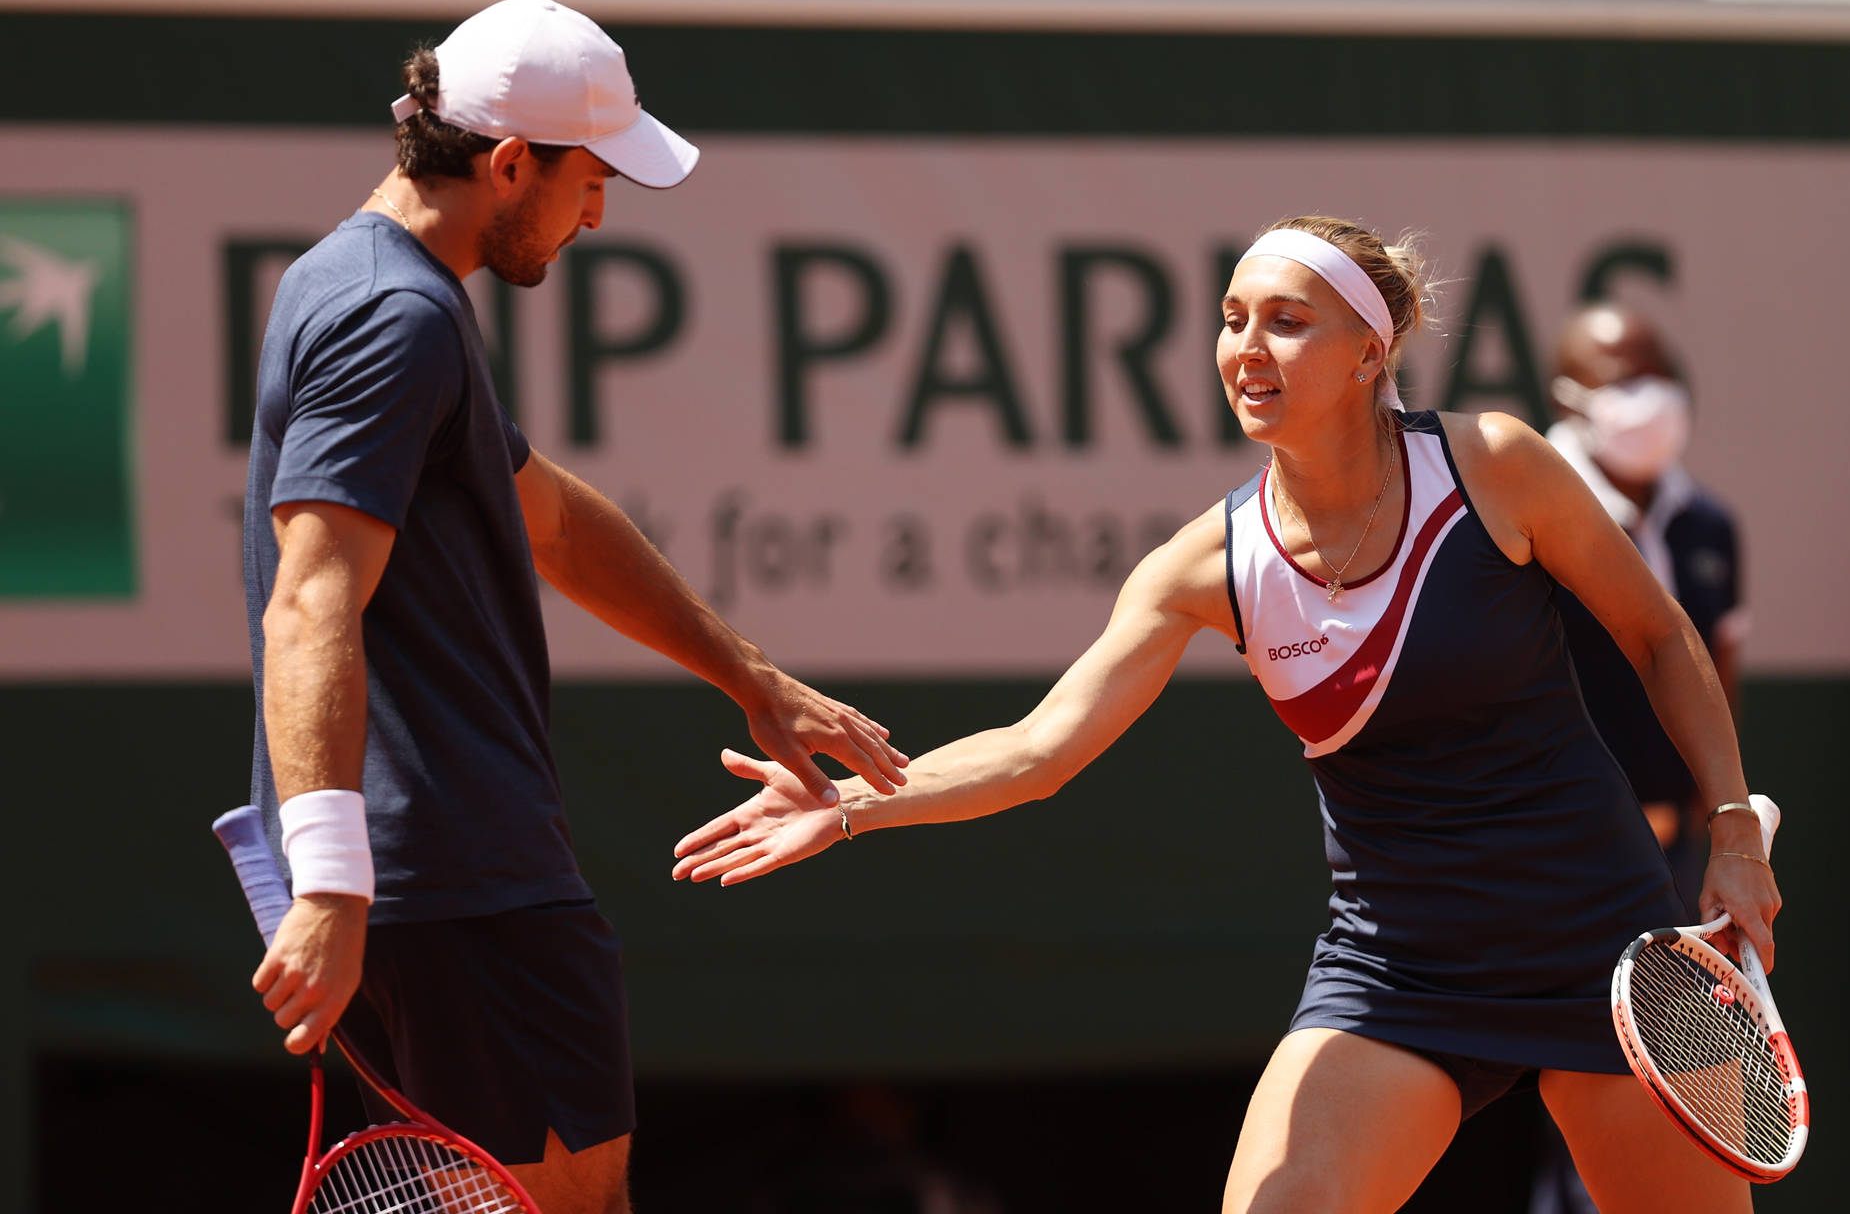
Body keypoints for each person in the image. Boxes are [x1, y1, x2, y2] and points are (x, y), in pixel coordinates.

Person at [671, 216, 1781, 1213]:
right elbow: (1039, 749)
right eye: (1232, 318)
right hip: (1404, 969)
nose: (1246, 348)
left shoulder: (1497, 467)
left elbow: (1661, 635)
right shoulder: (1207, 562)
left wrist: (1732, 828)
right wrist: (858, 803)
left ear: (1367, 354)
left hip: (1604, 941)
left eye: (1287, 321)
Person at [241, 0, 908, 1214]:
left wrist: (748, 673)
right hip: (451, 875)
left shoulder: (375, 284)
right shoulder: (394, 314)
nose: (599, 211)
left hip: (440, 870)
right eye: (589, 179)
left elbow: (545, 515)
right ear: (507, 163)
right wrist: (334, 884)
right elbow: (310, 599)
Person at [1522, 305, 1749, 1214]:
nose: (1644, 399)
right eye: (1619, 380)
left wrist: (1718, 817)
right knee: (1587, 1100)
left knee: (1691, 1096)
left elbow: (1715, 674)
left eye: (1656, 373)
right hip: (1554, 866)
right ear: (1567, 397)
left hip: (1678, 862)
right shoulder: (1526, 518)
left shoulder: (1710, 525)